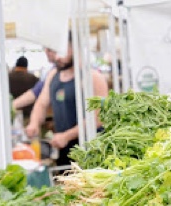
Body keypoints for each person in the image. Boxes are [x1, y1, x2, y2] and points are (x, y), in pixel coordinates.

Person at [25, 34, 109, 167]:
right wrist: (34, 123)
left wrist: (67, 136)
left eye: (62, 52)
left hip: (90, 151)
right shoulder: (53, 75)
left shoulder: (93, 77)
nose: (57, 57)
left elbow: (99, 117)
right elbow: (41, 103)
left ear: (75, 48)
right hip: (64, 152)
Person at [12, 47, 57, 114]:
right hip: (30, 113)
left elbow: (35, 93)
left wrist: (11, 106)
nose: (46, 51)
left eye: (49, 49)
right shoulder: (33, 78)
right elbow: (37, 94)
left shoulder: (7, 77)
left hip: (19, 112)